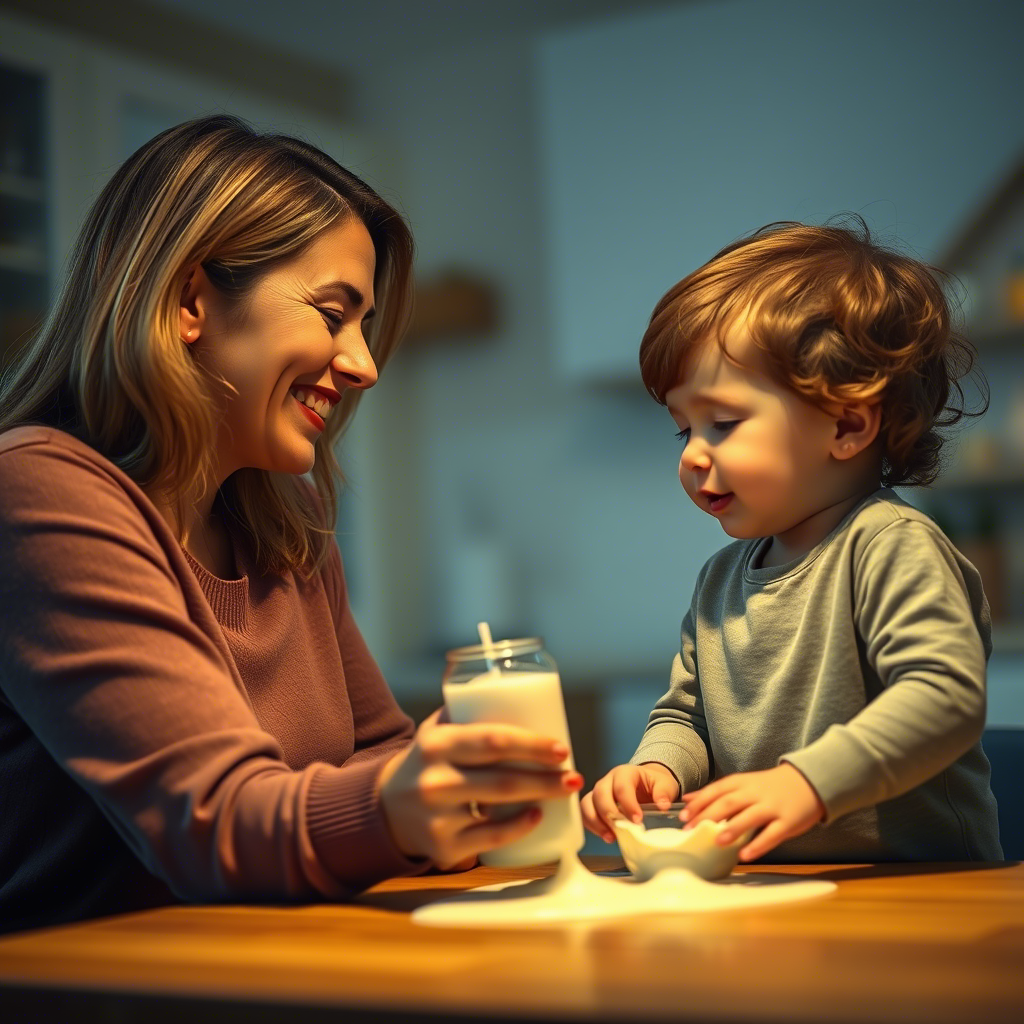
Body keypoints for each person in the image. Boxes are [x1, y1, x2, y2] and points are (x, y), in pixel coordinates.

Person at [0, 115, 582, 933]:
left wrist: (441, 794)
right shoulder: (35, 489)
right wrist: (402, 806)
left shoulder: (286, 518)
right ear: (191, 299)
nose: (365, 365)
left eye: (365, 326)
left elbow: (377, 752)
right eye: (333, 312)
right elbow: (212, 822)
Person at [581, 217, 1003, 863]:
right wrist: (657, 770)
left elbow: (943, 696)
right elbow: (687, 717)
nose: (692, 456)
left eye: (721, 423)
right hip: (774, 889)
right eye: (682, 429)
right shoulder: (721, 579)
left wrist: (807, 782)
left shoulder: (889, 545)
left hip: (916, 889)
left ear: (847, 425)